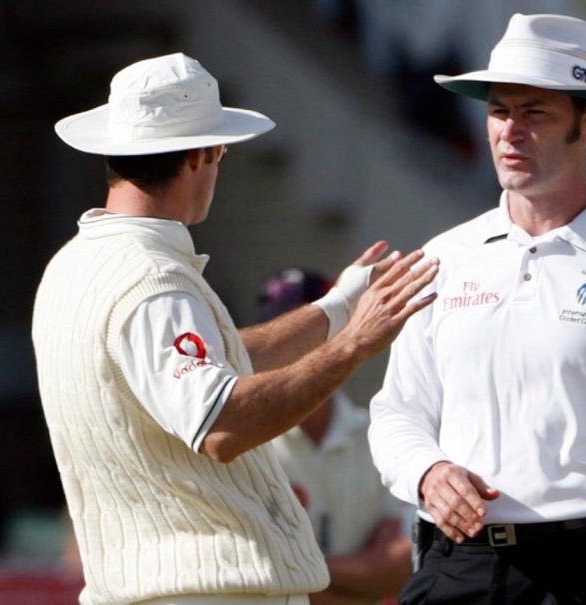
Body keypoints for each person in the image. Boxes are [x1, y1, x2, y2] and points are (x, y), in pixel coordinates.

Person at [32, 53, 437, 605]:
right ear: (201, 154)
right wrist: (354, 343)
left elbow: (202, 366)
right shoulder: (153, 281)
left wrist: (337, 309)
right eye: (220, 150)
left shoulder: (75, 266)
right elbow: (221, 424)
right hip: (205, 593)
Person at [368, 13, 586, 604]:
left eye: (534, 112)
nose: (510, 131)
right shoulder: (446, 256)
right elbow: (398, 411)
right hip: (458, 564)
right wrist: (428, 472)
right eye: (499, 111)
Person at [258, 268, 413, 604]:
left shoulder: (380, 433)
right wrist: (363, 578)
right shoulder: (243, 443)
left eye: (310, 332)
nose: (292, 349)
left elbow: (401, 564)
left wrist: (294, 577)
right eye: (283, 334)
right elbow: (248, 575)